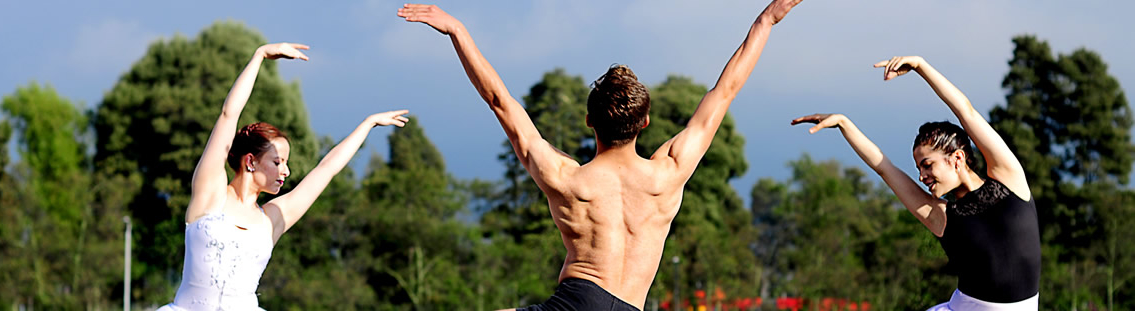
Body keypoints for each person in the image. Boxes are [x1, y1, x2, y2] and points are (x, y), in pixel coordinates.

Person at [398, 1, 801, 309]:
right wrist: (766, 21)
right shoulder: (669, 173)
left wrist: (457, 31)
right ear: (644, 123)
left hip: (575, 303)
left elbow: (500, 102)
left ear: (589, 121)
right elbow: (724, 92)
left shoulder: (567, 179)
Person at [158, 42, 410, 311]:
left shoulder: (273, 218)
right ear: (250, 161)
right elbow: (228, 115)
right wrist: (260, 56)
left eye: (286, 163)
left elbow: (325, 170)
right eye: (277, 162)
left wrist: (367, 124)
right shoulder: (210, 193)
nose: (285, 171)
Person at [791, 56, 1040, 310]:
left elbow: (966, 111)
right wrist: (845, 124)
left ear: (957, 158)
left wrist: (921, 66)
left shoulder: (1010, 179)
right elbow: (885, 169)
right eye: (919, 168)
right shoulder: (942, 216)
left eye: (927, 165)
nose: (921, 176)